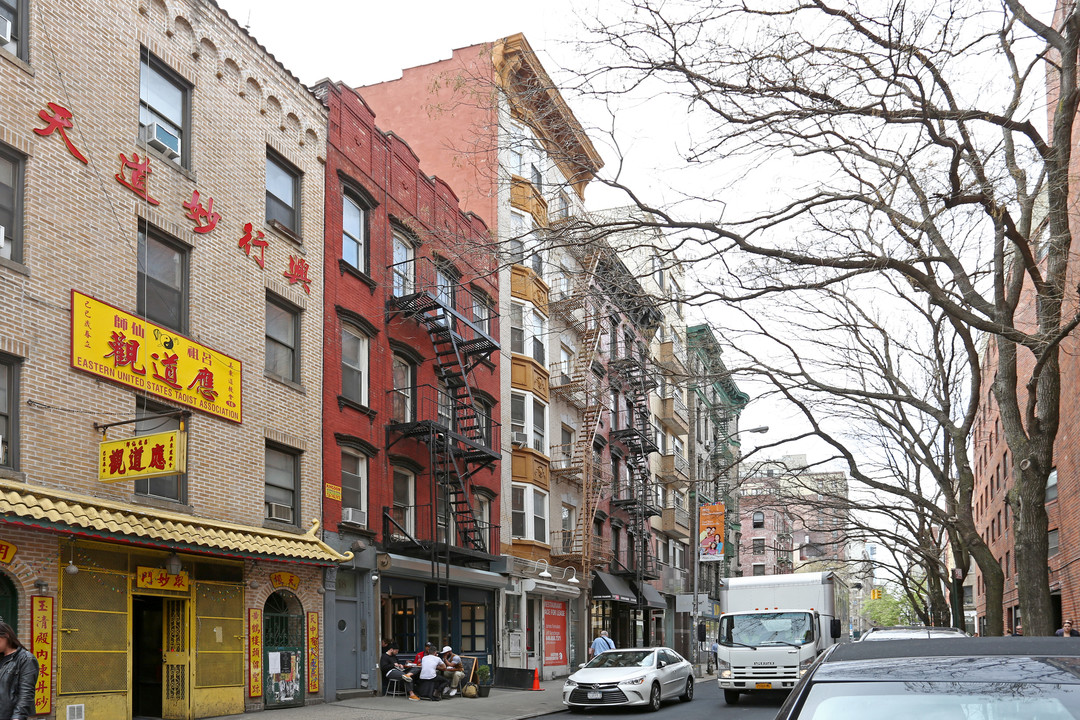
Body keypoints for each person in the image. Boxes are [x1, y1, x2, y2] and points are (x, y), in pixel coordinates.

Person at [0, 621, 38, 720]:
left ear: (6, 636)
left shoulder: (26, 659)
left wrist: (18, 717)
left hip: (9, 715)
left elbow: (26, 693)